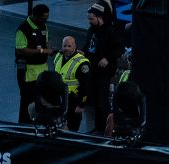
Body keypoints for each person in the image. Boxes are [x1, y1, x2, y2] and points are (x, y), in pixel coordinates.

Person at [82, 4, 120, 133]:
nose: (90, 21)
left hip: (104, 71)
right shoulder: (91, 29)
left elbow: (118, 48)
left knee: (102, 100)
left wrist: (107, 58)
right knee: (95, 99)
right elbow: (88, 45)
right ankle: (98, 126)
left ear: (100, 17)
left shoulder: (110, 31)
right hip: (93, 69)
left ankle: (105, 127)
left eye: (92, 19)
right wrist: (82, 52)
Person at [14, 4, 52, 124]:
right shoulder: (23, 28)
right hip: (27, 72)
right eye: (43, 18)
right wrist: (42, 51)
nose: (46, 20)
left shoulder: (44, 26)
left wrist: (49, 48)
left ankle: (35, 125)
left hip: (41, 71)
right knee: (27, 100)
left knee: (39, 100)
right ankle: (23, 126)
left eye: (47, 17)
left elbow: (45, 43)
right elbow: (21, 50)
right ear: (35, 16)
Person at [48, 36, 90, 132]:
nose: (66, 48)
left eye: (69, 46)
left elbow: (86, 86)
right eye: (64, 46)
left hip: (73, 100)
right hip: (58, 98)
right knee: (56, 126)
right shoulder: (59, 56)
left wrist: (81, 105)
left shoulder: (82, 63)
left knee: (71, 129)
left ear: (75, 47)